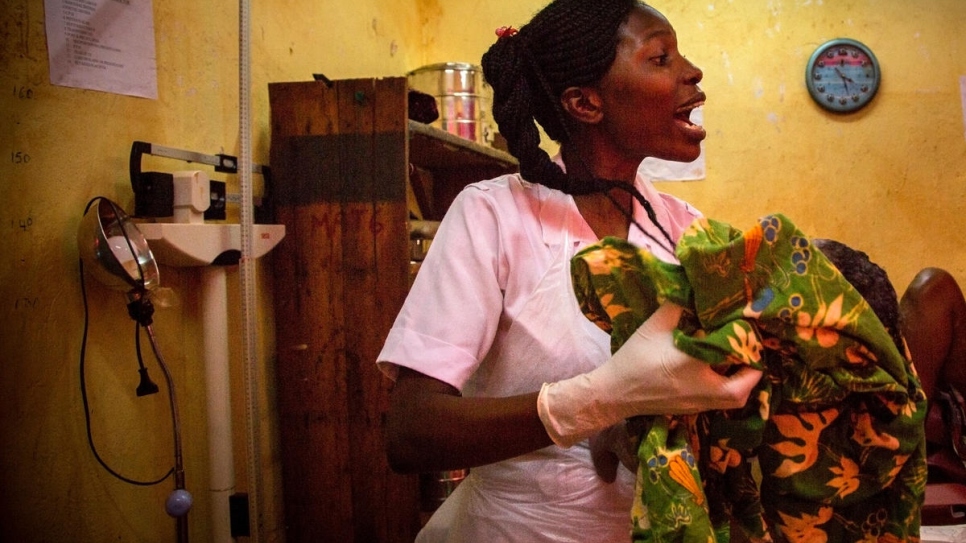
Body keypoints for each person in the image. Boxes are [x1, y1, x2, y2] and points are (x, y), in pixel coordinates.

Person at [376, 1, 762, 541]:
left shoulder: (686, 233)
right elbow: (412, 433)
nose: (691, 71)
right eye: (660, 58)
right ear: (585, 103)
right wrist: (596, 399)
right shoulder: (495, 215)